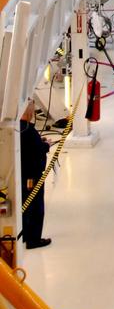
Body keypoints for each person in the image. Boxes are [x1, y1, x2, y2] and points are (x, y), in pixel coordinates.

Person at [20, 102, 50, 249]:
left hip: (24, 175)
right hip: (33, 177)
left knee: (26, 206)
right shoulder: (28, 131)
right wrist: (46, 146)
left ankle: (25, 235)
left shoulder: (19, 129)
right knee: (35, 207)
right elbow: (37, 151)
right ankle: (33, 239)